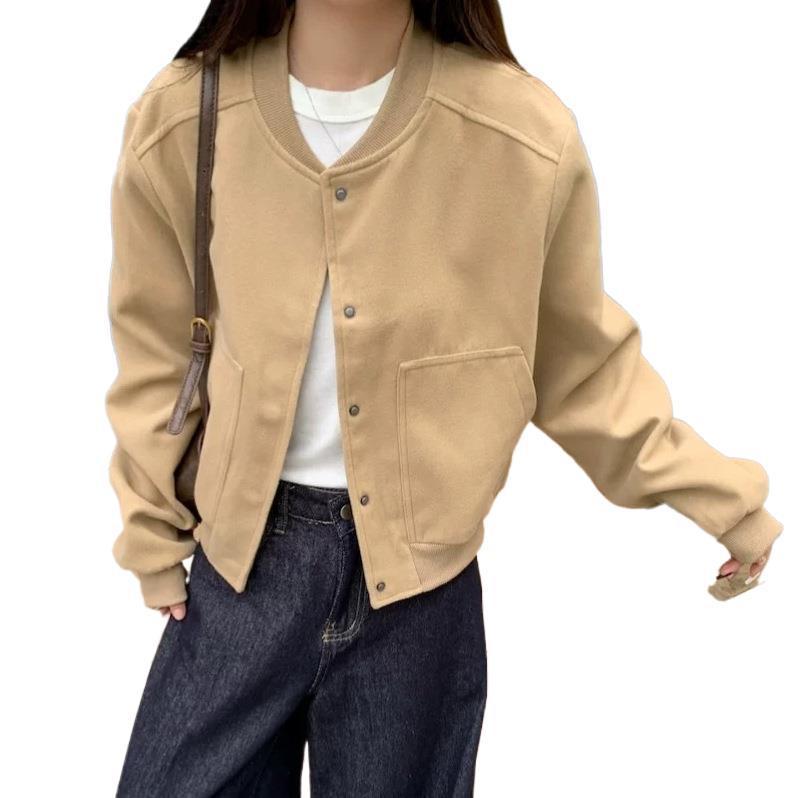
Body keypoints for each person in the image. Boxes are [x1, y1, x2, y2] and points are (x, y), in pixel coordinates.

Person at [105, 0, 783, 795]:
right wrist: (150, 533)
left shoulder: (520, 133)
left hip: (422, 594)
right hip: (240, 568)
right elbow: (155, 347)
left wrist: (720, 498)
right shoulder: (185, 113)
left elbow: (580, 362)